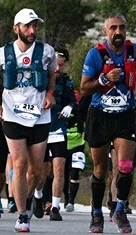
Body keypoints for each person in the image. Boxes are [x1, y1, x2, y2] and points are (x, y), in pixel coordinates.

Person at [0, 8, 58, 234]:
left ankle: (33, 196)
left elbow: (53, 75)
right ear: (16, 28)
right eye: (28, 26)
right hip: (13, 114)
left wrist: (49, 94)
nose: (32, 30)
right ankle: (21, 215)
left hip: (39, 115)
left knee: (37, 171)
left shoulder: (47, 52)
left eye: (35, 26)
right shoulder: (1, 53)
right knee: (20, 164)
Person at [80, 13, 136, 235]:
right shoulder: (95, 54)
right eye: (113, 28)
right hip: (100, 116)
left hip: (125, 115)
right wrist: (105, 79)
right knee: (99, 169)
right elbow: (84, 88)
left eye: (122, 28)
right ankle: (96, 213)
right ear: (105, 31)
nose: (118, 32)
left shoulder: (135, 51)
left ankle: (120, 210)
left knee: (125, 166)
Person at [41, 47, 79, 220]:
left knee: (59, 168)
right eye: (55, 65)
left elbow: (73, 102)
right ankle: (39, 196)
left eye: (61, 66)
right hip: (40, 128)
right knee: (40, 171)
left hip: (58, 129)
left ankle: (55, 207)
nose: (58, 69)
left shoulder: (66, 81)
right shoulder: (40, 79)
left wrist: (68, 108)